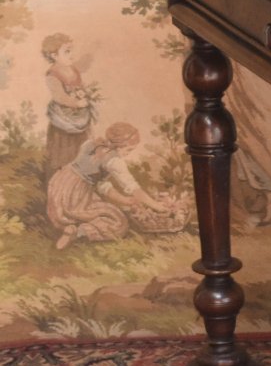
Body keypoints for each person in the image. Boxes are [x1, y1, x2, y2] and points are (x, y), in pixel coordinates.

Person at [47, 121, 186, 249]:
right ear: (121, 145)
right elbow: (133, 188)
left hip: (60, 186)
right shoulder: (114, 161)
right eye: (129, 150)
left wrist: (124, 200)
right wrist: (157, 206)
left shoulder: (91, 144)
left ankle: (69, 226)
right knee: (119, 223)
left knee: (95, 209)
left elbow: (100, 184)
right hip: (75, 195)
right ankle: (78, 232)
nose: (127, 154)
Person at [42, 33, 99, 178]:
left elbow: (81, 81)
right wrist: (76, 103)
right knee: (65, 152)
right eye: (67, 51)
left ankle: (82, 178)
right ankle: (62, 181)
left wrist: (86, 95)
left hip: (79, 118)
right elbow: (59, 96)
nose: (71, 55)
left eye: (71, 50)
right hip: (63, 120)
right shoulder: (52, 74)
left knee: (83, 147)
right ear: (54, 55)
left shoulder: (73, 69)